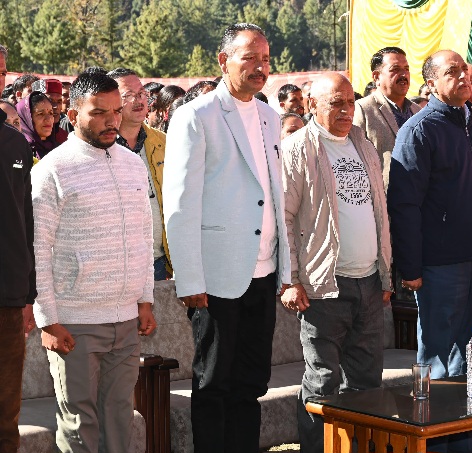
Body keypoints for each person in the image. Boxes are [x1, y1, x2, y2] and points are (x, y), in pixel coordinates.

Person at [163, 23, 292, 452]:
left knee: (251, 382)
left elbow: (273, 194)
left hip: (263, 272)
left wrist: (285, 270)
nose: (260, 67)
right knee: (214, 381)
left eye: (266, 59)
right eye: (249, 57)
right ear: (223, 61)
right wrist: (190, 279)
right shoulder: (196, 116)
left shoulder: (270, 117)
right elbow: (180, 204)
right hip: (216, 276)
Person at [31, 71, 157, 452]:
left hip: (126, 320)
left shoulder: (133, 165)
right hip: (74, 323)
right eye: (99, 113)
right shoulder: (52, 170)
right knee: (79, 426)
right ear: (72, 115)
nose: (111, 121)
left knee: (120, 419)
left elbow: (144, 236)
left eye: (116, 111)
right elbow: (38, 248)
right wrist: (48, 319)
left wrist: (145, 299)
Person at [282, 72, 392, 453]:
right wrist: (290, 279)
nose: (346, 111)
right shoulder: (297, 148)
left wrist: (385, 275)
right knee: (322, 382)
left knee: (367, 383)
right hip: (323, 286)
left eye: (350, 102)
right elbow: (284, 218)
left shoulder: (363, 144)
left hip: (368, 283)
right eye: (336, 104)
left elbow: (380, 212)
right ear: (312, 104)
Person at [388, 46, 472, 392]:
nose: (463, 77)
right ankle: (436, 424)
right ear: (431, 84)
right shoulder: (419, 129)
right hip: (439, 263)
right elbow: (404, 204)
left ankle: (467, 422)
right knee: (439, 353)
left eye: (464, 69)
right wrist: (410, 267)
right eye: (451, 72)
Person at [108, 68, 172, 281]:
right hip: (117, 265)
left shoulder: (164, 143)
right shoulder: (100, 146)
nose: (139, 100)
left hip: (160, 261)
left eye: (142, 93)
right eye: (129, 95)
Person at [0, 99, 36, 453]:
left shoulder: (15, 143)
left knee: (6, 420)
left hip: (9, 299)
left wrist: (29, 294)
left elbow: (26, 223)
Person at [354, 46, 420, 190]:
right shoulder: (362, 109)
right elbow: (354, 159)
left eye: (406, 69)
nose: (403, 74)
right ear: (376, 77)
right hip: (382, 196)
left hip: (418, 195)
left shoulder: (417, 111)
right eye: (395, 69)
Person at [16, 91, 68, 159]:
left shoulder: (61, 150)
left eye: (50, 113)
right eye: (41, 114)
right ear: (27, 118)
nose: (48, 119)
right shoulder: (17, 153)